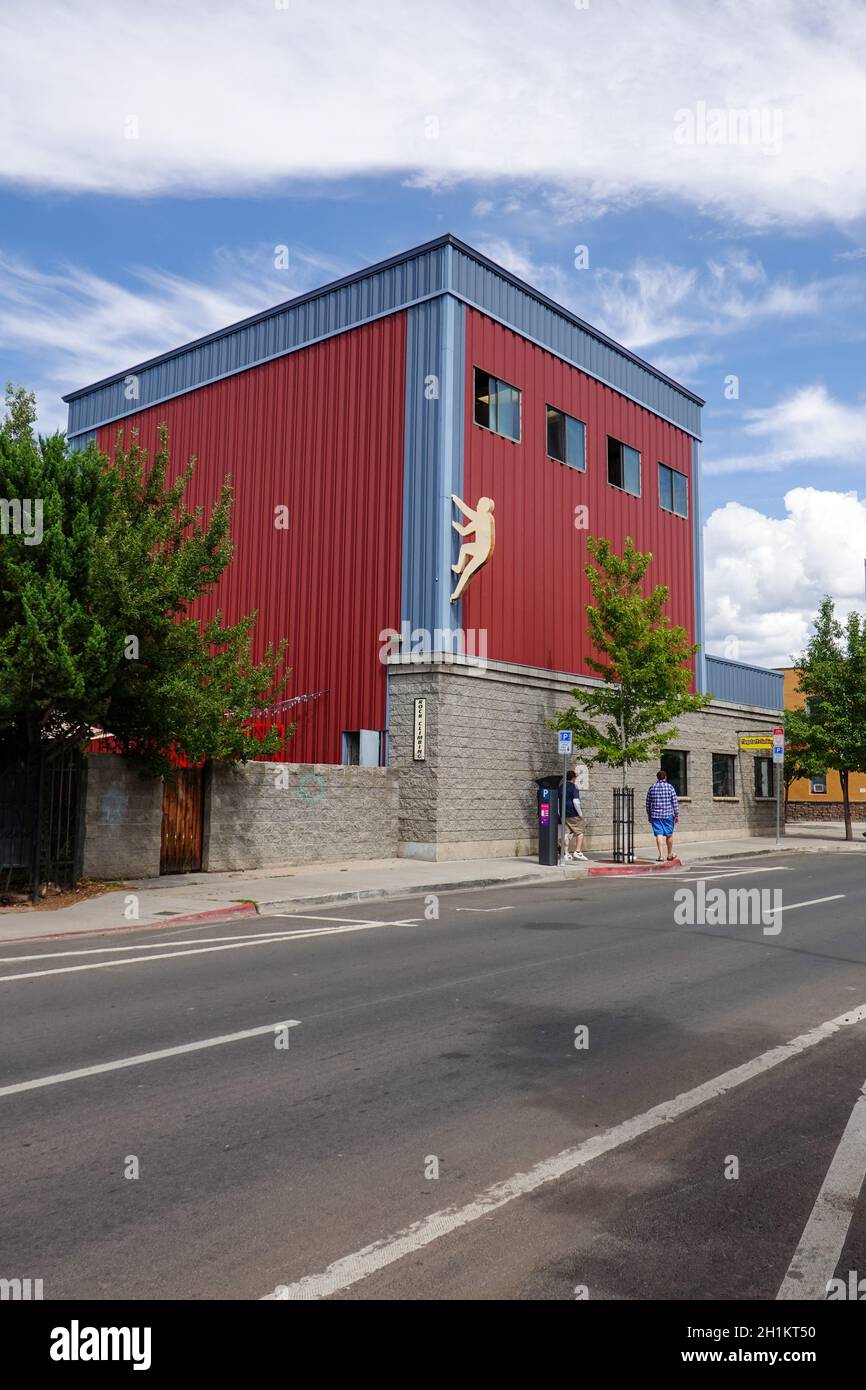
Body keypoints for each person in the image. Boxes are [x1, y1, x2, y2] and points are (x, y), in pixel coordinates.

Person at [646, 769, 679, 862]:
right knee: (669, 834)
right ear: (665, 777)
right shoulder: (670, 787)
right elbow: (674, 802)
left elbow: (648, 802)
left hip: (655, 815)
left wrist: (649, 814)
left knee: (659, 834)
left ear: (657, 777)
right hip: (668, 814)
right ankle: (669, 855)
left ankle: (660, 856)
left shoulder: (652, 788)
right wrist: (676, 814)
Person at [560, 770, 587, 861]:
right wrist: (580, 814)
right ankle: (578, 852)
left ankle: (566, 853)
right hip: (573, 813)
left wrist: (560, 813)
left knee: (566, 833)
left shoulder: (561, 787)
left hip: (564, 813)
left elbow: (558, 800)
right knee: (580, 831)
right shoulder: (574, 787)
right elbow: (576, 801)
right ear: (573, 778)